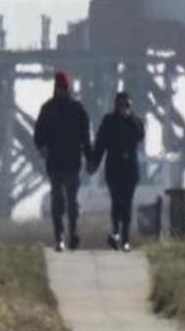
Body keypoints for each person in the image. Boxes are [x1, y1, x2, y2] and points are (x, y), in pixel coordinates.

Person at [32, 71, 92, 252]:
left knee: (72, 202)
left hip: (73, 162)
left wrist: (90, 158)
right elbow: (38, 134)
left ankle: (73, 233)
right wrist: (42, 148)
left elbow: (85, 138)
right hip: (55, 164)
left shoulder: (78, 109)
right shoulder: (47, 109)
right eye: (59, 88)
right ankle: (59, 237)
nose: (62, 91)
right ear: (55, 88)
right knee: (57, 202)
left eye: (64, 88)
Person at [89, 89, 148, 251]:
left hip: (130, 170)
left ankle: (125, 240)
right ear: (116, 105)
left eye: (126, 105)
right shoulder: (108, 121)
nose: (123, 108)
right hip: (114, 169)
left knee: (127, 204)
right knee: (117, 202)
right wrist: (94, 162)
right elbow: (100, 143)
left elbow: (140, 134)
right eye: (121, 105)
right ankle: (115, 232)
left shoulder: (135, 122)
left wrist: (130, 118)